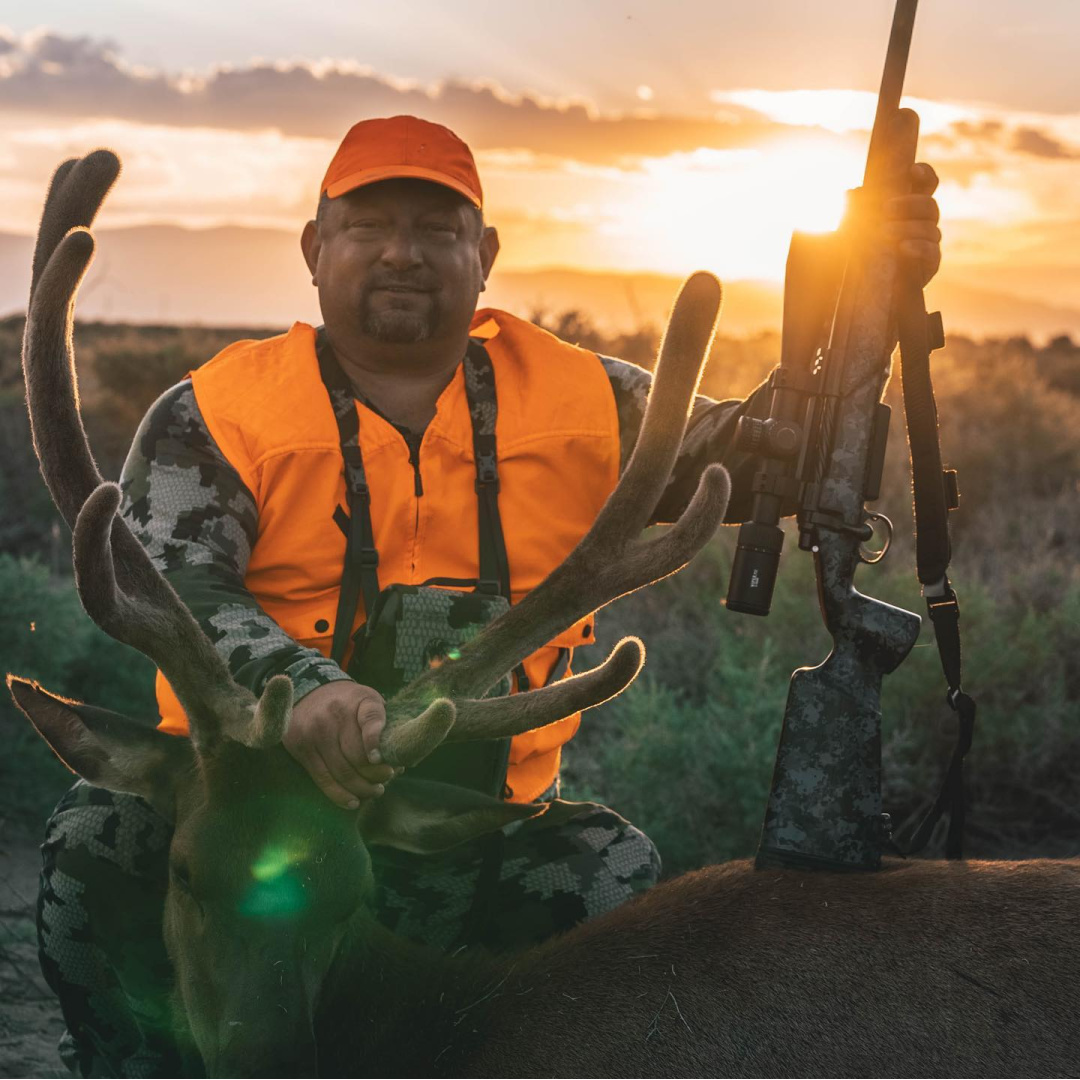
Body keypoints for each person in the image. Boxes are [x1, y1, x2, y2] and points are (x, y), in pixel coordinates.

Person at [36, 115, 943, 1075]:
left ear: (486, 254)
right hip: (240, 817)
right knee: (96, 845)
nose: (402, 253)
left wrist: (865, 296)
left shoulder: (587, 400)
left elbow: (769, 463)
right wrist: (305, 694)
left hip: (447, 829)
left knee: (609, 881)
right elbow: (180, 585)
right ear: (314, 248)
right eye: (368, 224)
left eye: (438, 229)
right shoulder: (215, 415)